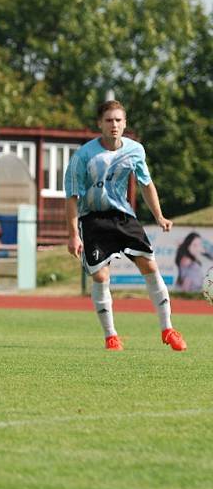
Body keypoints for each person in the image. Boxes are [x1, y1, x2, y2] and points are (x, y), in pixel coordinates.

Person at [65, 99, 186, 351]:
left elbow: (146, 183)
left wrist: (159, 216)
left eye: (118, 120)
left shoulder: (135, 150)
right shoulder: (84, 156)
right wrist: (73, 235)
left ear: (125, 123)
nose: (114, 125)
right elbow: (72, 197)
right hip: (93, 219)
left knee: (150, 266)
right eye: (109, 120)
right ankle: (111, 337)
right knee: (100, 275)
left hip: (123, 217)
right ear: (99, 124)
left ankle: (168, 330)